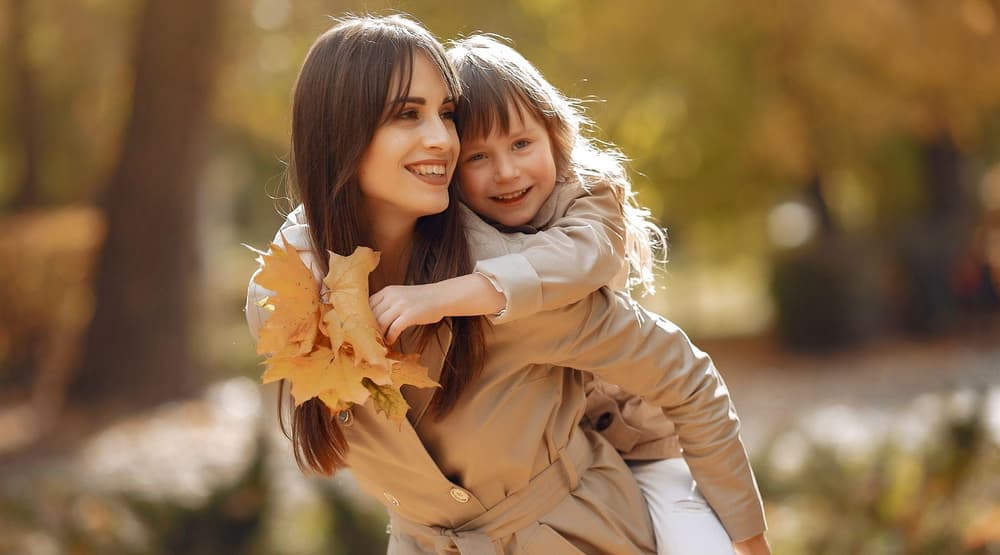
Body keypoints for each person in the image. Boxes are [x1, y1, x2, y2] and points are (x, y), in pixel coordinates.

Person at [246, 14, 770, 554]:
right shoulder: (287, 302)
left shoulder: (510, 283)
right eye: (407, 114)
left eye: (446, 115)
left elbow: (685, 377)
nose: (441, 139)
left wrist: (748, 540)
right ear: (337, 136)